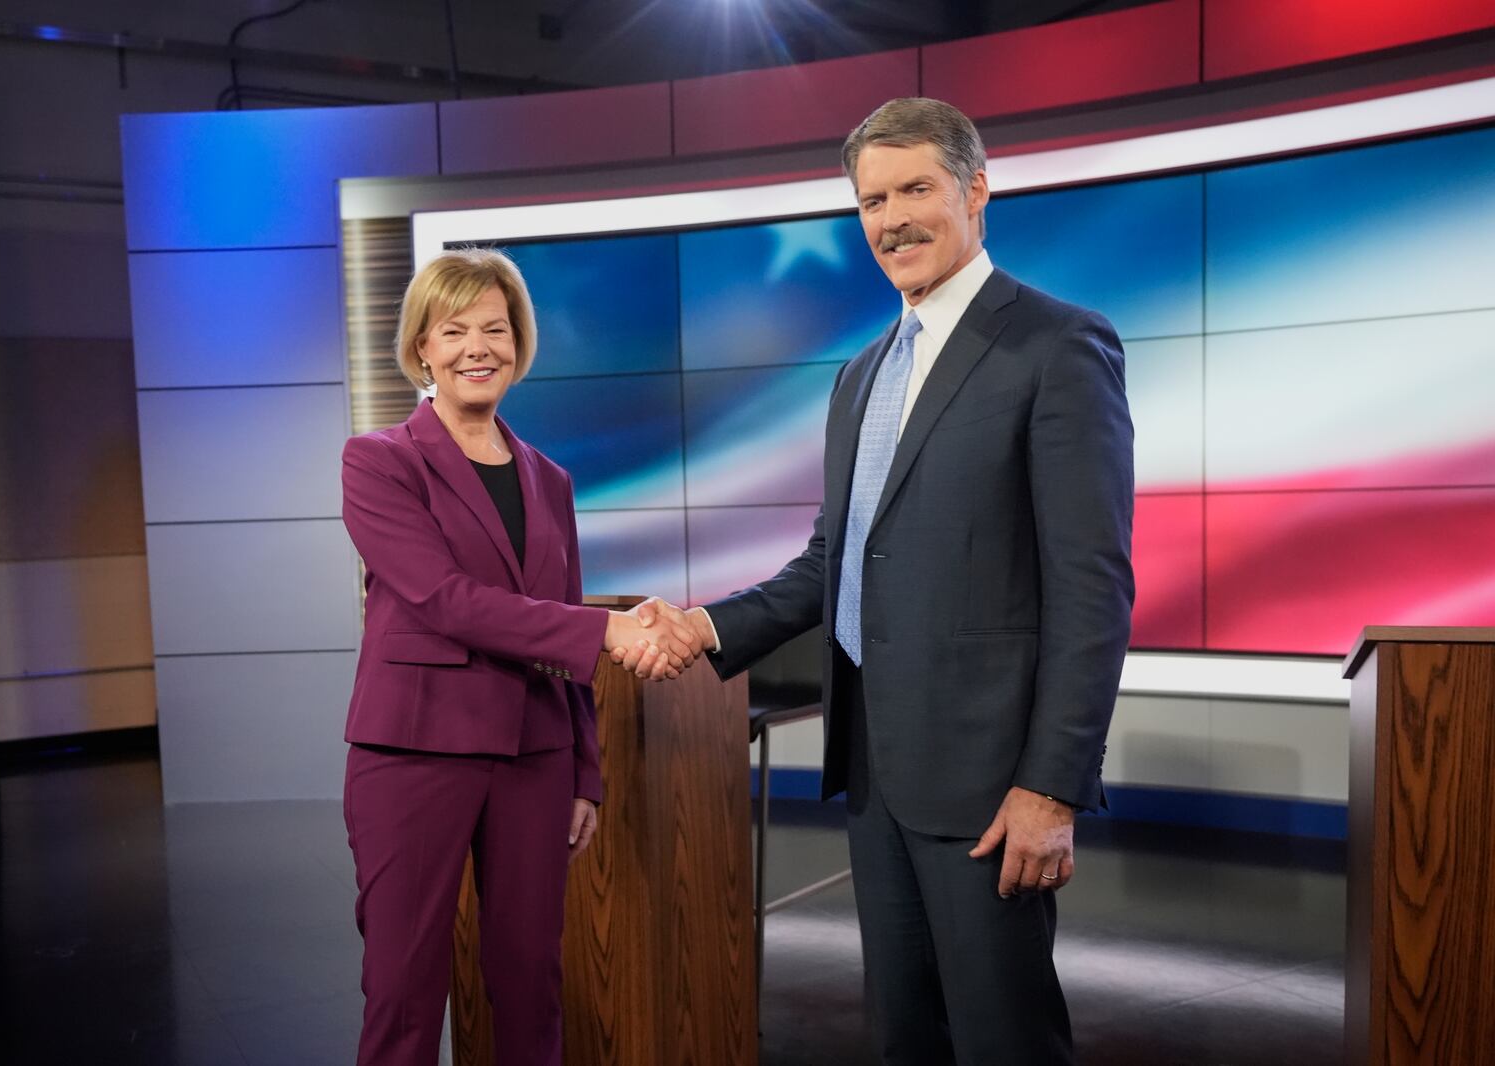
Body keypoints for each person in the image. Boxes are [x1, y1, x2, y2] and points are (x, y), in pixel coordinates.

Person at [618, 98, 1134, 1064]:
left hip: (991, 788)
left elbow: (1092, 589)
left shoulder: (1058, 347)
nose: (890, 219)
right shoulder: (860, 376)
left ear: (977, 190)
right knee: (906, 1041)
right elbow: (835, 560)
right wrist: (703, 628)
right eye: (870, 201)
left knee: (1005, 1042)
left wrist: (1052, 788)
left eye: (915, 190)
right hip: (877, 779)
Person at [339, 248, 697, 1066]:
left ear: (519, 343)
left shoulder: (550, 479)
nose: (478, 348)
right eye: (454, 330)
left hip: (535, 757)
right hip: (413, 752)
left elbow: (554, 624)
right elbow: (441, 599)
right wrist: (607, 631)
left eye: (496, 329)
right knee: (402, 990)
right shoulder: (378, 460)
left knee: (531, 982)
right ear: (422, 347)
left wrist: (585, 771)